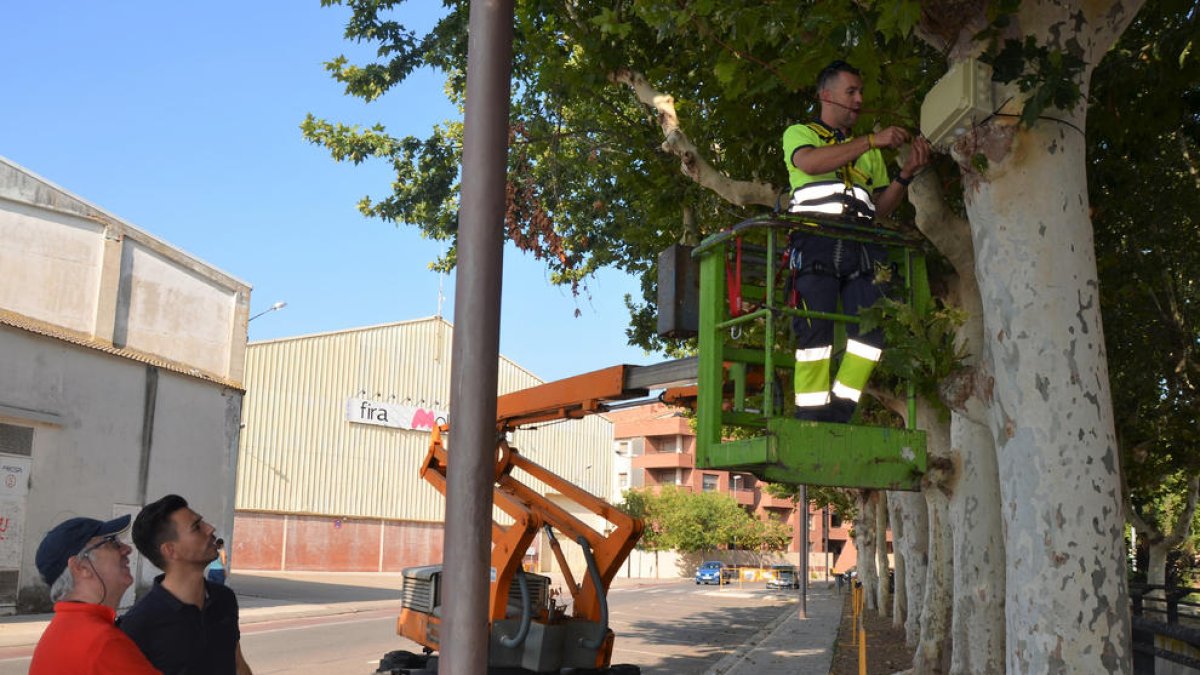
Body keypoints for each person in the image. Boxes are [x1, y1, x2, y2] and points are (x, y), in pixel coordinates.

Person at [782, 59, 931, 422]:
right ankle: (810, 418)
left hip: (862, 246)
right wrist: (870, 140)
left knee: (870, 333)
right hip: (815, 241)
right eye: (851, 91)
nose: (859, 99)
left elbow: (879, 209)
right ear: (826, 95)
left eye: (861, 92)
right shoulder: (801, 134)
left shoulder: (871, 154)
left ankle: (840, 411)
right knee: (815, 332)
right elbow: (811, 164)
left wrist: (906, 174)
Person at [120, 495, 253, 675]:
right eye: (197, 527)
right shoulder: (138, 624)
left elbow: (237, 664)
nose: (210, 528)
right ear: (170, 550)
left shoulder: (224, 598)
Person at [29, 513, 161, 674]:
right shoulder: (104, 643)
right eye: (112, 542)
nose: (127, 549)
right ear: (80, 567)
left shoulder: (61, 631)